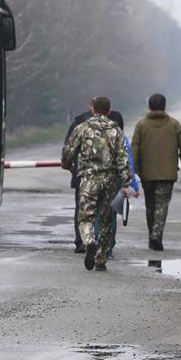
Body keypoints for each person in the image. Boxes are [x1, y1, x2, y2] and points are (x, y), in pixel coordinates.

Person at [61, 96, 132, 272]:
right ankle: (101, 259)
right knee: (107, 219)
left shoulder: (82, 128)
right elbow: (123, 158)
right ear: (109, 111)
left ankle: (89, 241)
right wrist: (126, 181)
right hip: (110, 181)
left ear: (92, 109)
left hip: (88, 179)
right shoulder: (116, 130)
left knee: (85, 216)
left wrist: (69, 166)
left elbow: (68, 152)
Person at [131, 93, 181, 251]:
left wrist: (133, 171)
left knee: (150, 206)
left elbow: (134, 150)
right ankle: (156, 235)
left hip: (147, 174)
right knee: (162, 205)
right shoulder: (174, 125)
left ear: (149, 106)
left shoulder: (141, 125)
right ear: (164, 106)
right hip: (167, 173)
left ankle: (152, 234)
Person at [102, 110, 140, 258]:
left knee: (97, 214)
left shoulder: (95, 135)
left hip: (95, 181)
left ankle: (97, 243)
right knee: (111, 216)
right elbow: (128, 164)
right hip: (116, 183)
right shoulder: (122, 139)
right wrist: (133, 186)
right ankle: (108, 249)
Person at [63, 106, 93, 253]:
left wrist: (69, 167)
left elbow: (68, 149)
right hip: (106, 177)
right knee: (103, 211)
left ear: (91, 107)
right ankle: (99, 242)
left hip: (81, 174)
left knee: (82, 209)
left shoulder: (79, 124)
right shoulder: (112, 126)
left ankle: (81, 241)